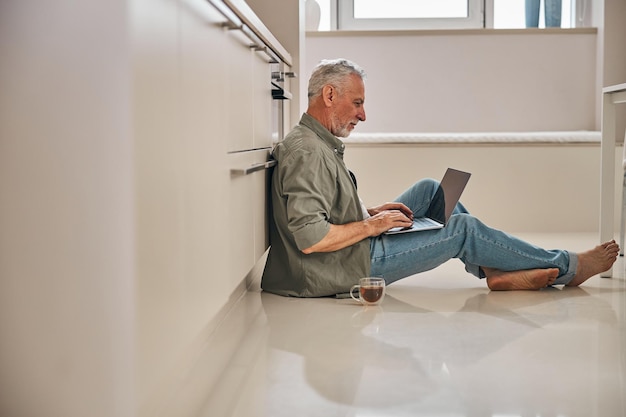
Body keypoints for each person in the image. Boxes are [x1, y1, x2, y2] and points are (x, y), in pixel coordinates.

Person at [261, 58, 619, 298]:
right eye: (357, 103)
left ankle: (492, 269)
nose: (363, 114)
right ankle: (568, 266)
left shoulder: (316, 142)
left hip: (342, 253)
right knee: (461, 228)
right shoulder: (307, 151)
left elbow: (321, 211)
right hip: (337, 269)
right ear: (329, 95)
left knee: (430, 190)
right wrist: (373, 227)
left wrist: (369, 213)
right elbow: (310, 237)